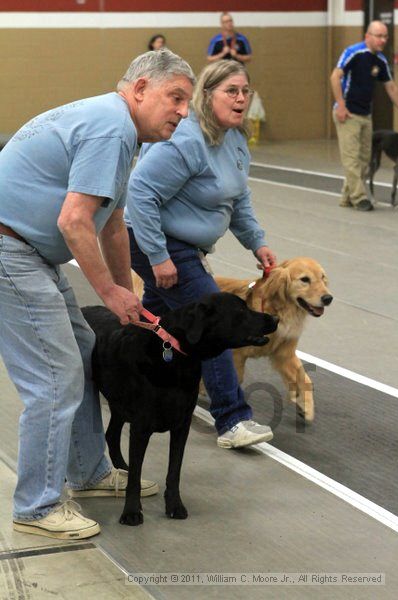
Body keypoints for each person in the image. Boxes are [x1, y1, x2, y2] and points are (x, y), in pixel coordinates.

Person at [0, 49, 195, 540]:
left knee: (85, 352)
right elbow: (74, 220)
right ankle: (37, 506)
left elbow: (111, 225)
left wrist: (130, 295)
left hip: (28, 252)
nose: (183, 112)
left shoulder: (118, 130)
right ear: (140, 89)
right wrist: (108, 291)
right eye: (175, 97)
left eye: (187, 102)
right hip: (11, 251)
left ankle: (89, 473)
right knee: (54, 377)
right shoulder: (112, 129)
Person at [125, 60, 276, 449]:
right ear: (206, 96)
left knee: (158, 321)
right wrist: (158, 257)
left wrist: (256, 242)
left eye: (246, 91)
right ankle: (231, 419)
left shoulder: (235, 139)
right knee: (214, 321)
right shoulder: (187, 140)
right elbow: (140, 192)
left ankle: (128, 381)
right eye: (231, 91)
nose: (241, 98)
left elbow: (238, 197)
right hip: (153, 240)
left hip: (184, 246)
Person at [331, 20, 398, 211]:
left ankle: (347, 197)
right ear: (367, 36)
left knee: (363, 159)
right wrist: (341, 106)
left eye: (385, 36)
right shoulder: (354, 52)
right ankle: (360, 198)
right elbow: (335, 77)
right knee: (351, 158)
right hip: (347, 113)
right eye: (379, 36)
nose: (383, 40)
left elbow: (391, 87)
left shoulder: (381, 61)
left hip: (365, 115)